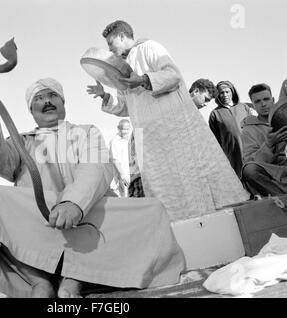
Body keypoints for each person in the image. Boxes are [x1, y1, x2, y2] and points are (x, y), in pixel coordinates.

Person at [0, 71, 185, 298]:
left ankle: (74, 279)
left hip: (86, 216)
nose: (46, 101)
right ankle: (39, 282)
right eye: (39, 98)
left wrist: (74, 203)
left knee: (152, 211)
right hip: (41, 224)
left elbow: (96, 168)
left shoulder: (86, 132)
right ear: (31, 110)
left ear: (63, 103)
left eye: (52, 95)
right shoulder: (20, 142)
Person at [87, 20, 249, 221]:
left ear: (122, 36)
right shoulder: (123, 70)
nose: (110, 49)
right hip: (153, 141)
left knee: (194, 177)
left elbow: (173, 76)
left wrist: (144, 79)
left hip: (176, 130)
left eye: (111, 44)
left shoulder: (150, 47)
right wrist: (105, 97)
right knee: (168, 191)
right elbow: (126, 106)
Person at [241, 84, 287, 196]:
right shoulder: (248, 130)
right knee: (249, 170)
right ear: (253, 105)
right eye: (258, 101)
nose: (263, 104)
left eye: (266, 99)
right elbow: (251, 160)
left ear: (273, 100)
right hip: (277, 172)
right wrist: (269, 144)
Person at [209, 81, 257, 178]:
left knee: (254, 175)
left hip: (249, 151)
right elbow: (215, 140)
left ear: (232, 92)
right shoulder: (215, 114)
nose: (224, 95)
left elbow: (254, 128)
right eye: (221, 93)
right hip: (231, 154)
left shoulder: (244, 107)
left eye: (227, 92)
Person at [109, 119, 131, 197]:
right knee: (123, 200)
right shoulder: (115, 141)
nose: (126, 131)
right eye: (124, 129)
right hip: (121, 177)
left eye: (128, 129)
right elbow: (115, 160)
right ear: (119, 129)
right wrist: (123, 176)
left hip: (128, 176)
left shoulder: (127, 141)